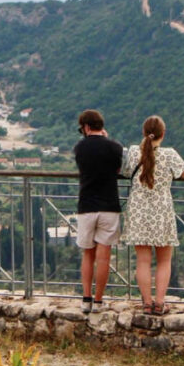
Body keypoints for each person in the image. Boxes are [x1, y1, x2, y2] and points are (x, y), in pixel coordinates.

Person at [122, 115, 184, 315]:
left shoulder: (135, 151)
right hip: (161, 210)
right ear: (164, 134)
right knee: (164, 260)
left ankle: (146, 302)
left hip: (138, 209)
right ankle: (160, 303)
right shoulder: (170, 154)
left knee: (143, 260)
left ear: (144, 133)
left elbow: (126, 171)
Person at [73, 109, 123, 314]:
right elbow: (118, 170)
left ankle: (86, 299)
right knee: (104, 257)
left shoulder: (79, 148)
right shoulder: (115, 147)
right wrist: (107, 139)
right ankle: (99, 301)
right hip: (109, 205)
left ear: (85, 127)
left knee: (88, 255)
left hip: (86, 206)